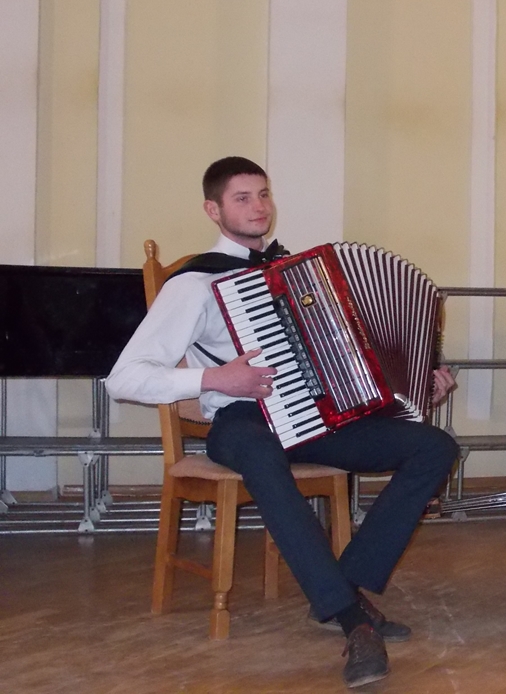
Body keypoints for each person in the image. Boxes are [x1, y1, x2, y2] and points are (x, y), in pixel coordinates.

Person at [106, 156, 458, 688]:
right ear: (213, 210)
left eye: (264, 194)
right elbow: (124, 378)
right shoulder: (194, 284)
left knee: (433, 447)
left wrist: (416, 382)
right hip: (241, 419)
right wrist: (215, 379)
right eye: (242, 198)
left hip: (314, 416)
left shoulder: (306, 276)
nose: (259, 207)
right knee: (261, 453)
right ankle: (352, 620)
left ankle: (344, 585)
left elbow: (353, 362)